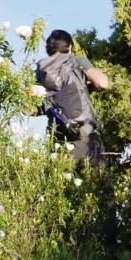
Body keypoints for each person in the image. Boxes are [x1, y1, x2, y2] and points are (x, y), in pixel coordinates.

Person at [36, 29, 110, 166]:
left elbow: (33, 109)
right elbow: (103, 83)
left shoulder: (41, 71)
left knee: (62, 185)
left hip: (58, 143)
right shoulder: (75, 61)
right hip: (86, 138)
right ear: (69, 46)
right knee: (97, 185)